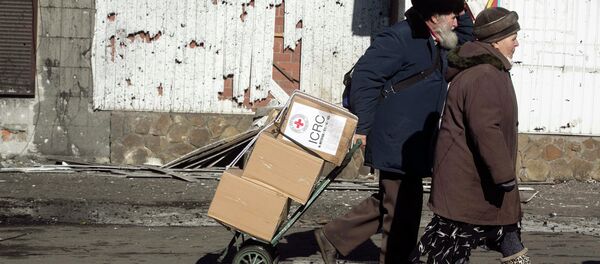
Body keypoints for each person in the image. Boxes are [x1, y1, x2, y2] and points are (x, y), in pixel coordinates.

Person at [313, 1, 474, 263]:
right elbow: (365, 79)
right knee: (402, 210)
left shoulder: (440, 38)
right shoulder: (399, 37)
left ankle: (334, 237)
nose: (456, 22)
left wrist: (459, 5)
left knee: (395, 200)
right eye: (452, 16)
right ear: (433, 16)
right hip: (394, 138)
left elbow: (468, 36)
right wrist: (363, 128)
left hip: (414, 141)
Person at [410, 7, 530, 264]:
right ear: (496, 41)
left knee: (508, 237)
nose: (516, 43)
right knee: (449, 251)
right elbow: (485, 130)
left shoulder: (490, 69)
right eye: (513, 38)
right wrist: (504, 175)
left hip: (480, 183)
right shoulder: (483, 75)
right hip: (470, 185)